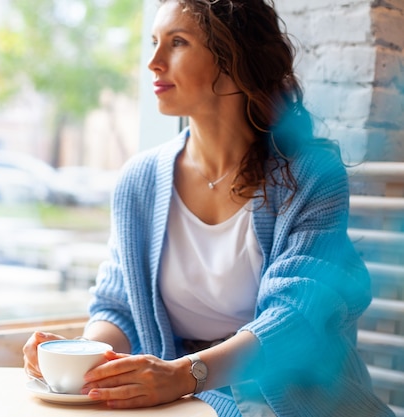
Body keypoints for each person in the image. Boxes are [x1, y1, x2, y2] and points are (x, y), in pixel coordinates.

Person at [23, 0, 395, 415]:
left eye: (177, 42)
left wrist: (184, 374)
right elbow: (118, 307)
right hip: (188, 402)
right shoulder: (139, 180)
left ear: (234, 58)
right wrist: (81, 359)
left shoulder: (310, 176)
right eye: (153, 42)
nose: (153, 63)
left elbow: (298, 317)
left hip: (304, 403)